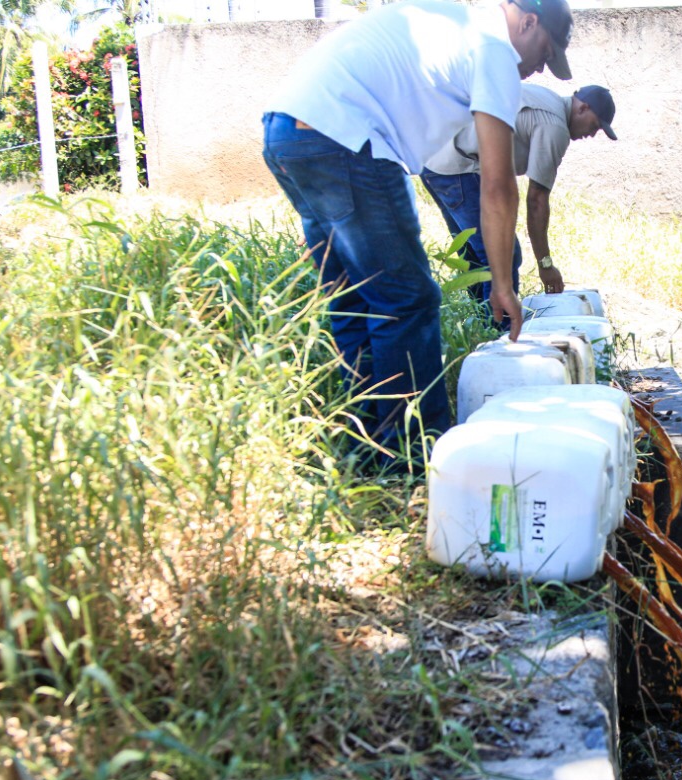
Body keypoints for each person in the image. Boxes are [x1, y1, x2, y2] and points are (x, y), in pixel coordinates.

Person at [260, 0, 573, 471]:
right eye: (544, 52)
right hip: (345, 137)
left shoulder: (454, 21)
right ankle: (420, 464)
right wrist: (503, 285)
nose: (537, 69)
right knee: (407, 300)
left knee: (353, 298)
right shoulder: (493, 51)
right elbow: (496, 182)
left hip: (288, 130)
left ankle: (366, 453)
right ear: (528, 22)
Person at [419, 83, 616, 309]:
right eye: (594, 125)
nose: (591, 134)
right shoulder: (555, 127)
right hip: (457, 166)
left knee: (475, 255)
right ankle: (500, 333)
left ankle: (480, 328)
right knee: (503, 255)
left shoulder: (546, 97)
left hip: (434, 159)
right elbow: (537, 201)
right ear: (582, 108)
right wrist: (545, 265)